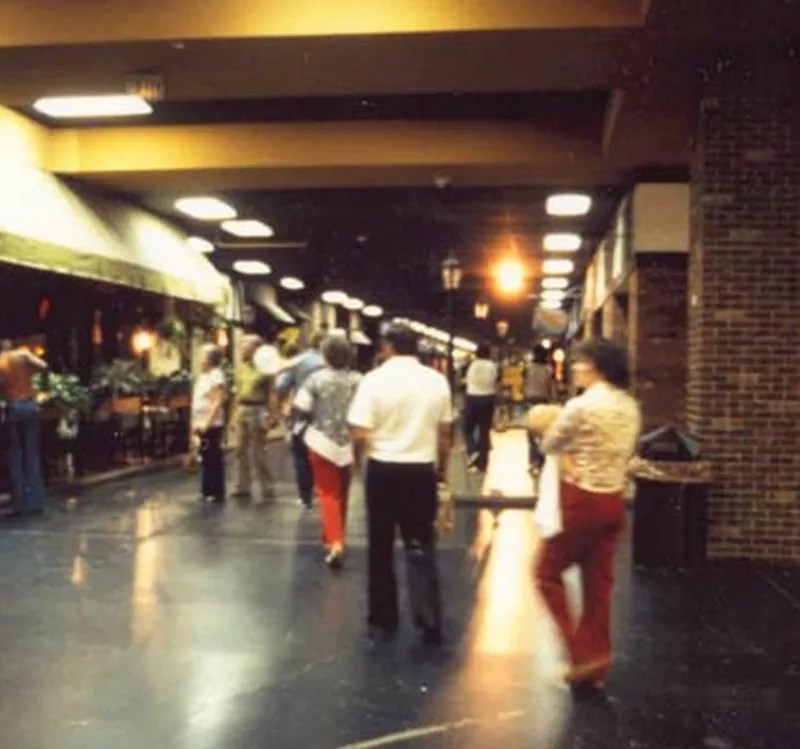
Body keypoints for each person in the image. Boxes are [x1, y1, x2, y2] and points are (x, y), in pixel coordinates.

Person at [531, 339, 641, 692]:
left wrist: (552, 428)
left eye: (580, 362)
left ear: (596, 366)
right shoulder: (630, 407)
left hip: (582, 500)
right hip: (613, 500)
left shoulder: (581, 405)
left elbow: (550, 443)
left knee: (546, 574)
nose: (575, 367)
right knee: (598, 587)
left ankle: (581, 656)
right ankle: (598, 661)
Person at [348, 323, 452, 646]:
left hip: (383, 469)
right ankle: (428, 619)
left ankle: (383, 619)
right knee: (420, 545)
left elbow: (360, 433)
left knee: (380, 545)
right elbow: (445, 433)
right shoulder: (436, 381)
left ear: (388, 347)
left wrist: (357, 463)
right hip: (421, 470)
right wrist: (442, 470)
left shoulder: (373, 381)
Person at [294, 336, 361, 569]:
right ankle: (336, 536)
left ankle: (335, 542)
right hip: (350, 443)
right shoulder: (358, 380)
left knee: (327, 493)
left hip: (321, 441)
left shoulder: (315, 379)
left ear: (325, 355)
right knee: (343, 493)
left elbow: (302, 407)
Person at [276, 333, 325, 508]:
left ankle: (305, 497)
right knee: (323, 452)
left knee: (301, 453)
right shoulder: (330, 361)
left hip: (302, 411)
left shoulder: (299, 361)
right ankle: (322, 490)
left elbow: (281, 385)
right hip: (325, 413)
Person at [0, 341, 48, 517]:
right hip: (29, 404)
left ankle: (19, 504)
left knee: (16, 454)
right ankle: (35, 501)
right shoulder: (23, 354)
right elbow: (44, 366)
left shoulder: (1, 360)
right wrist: (31, 373)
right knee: (32, 453)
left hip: (12, 405)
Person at [231, 334, 276, 501]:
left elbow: (271, 393)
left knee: (259, 451)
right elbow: (237, 393)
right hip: (243, 408)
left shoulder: (265, 368)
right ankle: (241, 486)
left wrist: (273, 414)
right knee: (240, 450)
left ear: (255, 349)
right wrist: (233, 416)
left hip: (258, 409)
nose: (242, 349)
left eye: (245, 346)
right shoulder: (241, 368)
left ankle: (267, 487)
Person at [192, 344, 227, 503]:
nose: (200, 360)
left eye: (202, 357)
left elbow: (217, 400)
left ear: (210, 359)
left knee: (212, 455)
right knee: (205, 455)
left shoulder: (216, 376)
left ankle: (216, 490)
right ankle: (207, 489)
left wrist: (207, 422)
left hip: (211, 423)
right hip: (200, 421)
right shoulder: (203, 376)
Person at [462, 343, 498, 473]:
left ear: (476, 353)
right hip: (488, 398)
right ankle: (483, 463)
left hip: (472, 398)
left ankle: (473, 451)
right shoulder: (492, 366)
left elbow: (465, 381)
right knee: (484, 432)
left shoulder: (471, 365)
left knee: (468, 429)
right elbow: (496, 381)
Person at [525, 344, 556, 476]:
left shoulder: (529, 368)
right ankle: (541, 461)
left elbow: (524, 382)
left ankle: (534, 462)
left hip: (531, 401)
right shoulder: (548, 369)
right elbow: (552, 386)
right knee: (542, 433)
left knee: (531, 434)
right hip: (544, 401)